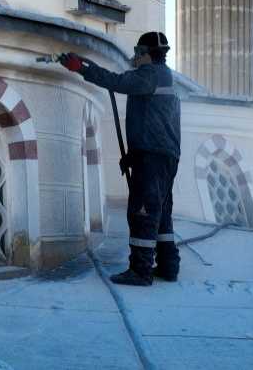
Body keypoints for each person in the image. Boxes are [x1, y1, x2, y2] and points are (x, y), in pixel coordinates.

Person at [59, 32, 181, 286]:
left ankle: (140, 270)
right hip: (163, 155)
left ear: (147, 53)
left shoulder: (150, 75)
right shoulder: (163, 76)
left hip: (152, 156)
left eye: (138, 51)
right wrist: (133, 155)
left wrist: (80, 68)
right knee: (161, 211)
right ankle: (169, 265)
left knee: (143, 212)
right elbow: (153, 122)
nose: (134, 56)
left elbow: (117, 82)